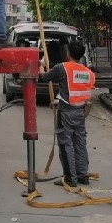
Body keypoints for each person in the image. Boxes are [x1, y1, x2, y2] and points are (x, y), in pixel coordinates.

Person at [41, 41, 95, 187]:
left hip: (66, 112)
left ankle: (70, 178)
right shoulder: (87, 73)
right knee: (80, 143)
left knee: (66, 145)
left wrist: (40, 65)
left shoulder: (62, 68)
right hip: (80, 112)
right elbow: (76, 89)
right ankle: (82, 175)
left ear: (68, 53)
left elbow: (44, 78)